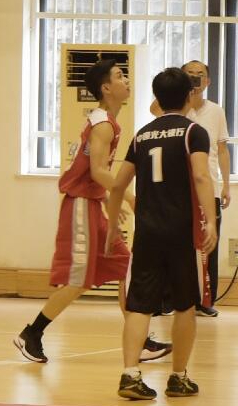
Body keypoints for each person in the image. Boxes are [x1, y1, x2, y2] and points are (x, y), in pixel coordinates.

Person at [13, 59, 170, 364]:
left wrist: (114, 199)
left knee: (125, 266)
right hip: (81, 206)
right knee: (78, 280)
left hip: (93, 205)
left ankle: (141, 341)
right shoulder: (102, 125)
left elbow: (97, 174)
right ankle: (32, 333)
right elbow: (98, 172)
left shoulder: (107, 121)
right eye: (120, 76)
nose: (126, 80)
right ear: (106, 88)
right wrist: (128, 197)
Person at [106, 68, 217, 400]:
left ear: (157, 97)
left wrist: (112, 225)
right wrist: (211, 221)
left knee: (139, 305)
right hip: (182, 232)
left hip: (148, 232)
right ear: (189, 96)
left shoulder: (142, 135)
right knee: (185, 305)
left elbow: (118, 184)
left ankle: (130, 374)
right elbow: (201, 176)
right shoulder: (194, 132)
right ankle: (178, 377)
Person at [150, 60, 230, 316]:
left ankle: (204, 300)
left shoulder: (216, 111)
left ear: (208, 81)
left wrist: (226, 185)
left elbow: (221, 149)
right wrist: (183, 95)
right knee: (173, 242)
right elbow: (154, 109)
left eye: (200, 75)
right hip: (177, 188)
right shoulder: (171, 107)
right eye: (190, 75)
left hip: (208, 185)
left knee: (208, 243)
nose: (196, 79)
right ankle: (168, 299)